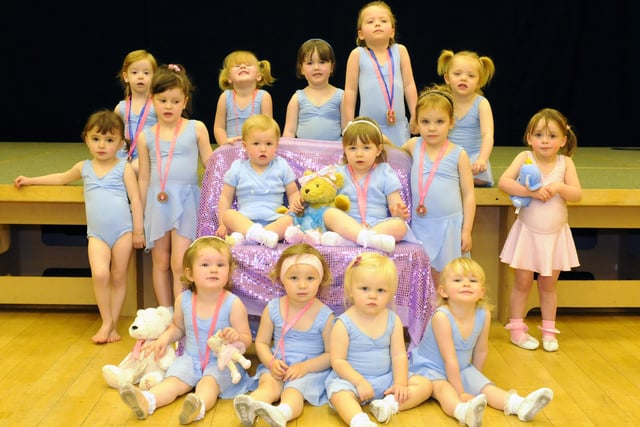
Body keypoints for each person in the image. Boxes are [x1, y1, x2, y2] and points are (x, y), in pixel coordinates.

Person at [14, 110, 145, 344]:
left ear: (120, 144)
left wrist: (138, 231)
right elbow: (61, 178)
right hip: (97, 234)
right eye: (96, 139)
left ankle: (111, 325)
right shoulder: (84, 167)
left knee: (118, 276)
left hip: (123, 232)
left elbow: (135, 199)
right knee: (100, 274)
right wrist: (31, 180)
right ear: (86, 139)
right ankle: (106, 320)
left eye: (109, 140)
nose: (102, 145)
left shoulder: (123, 168)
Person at [118, 236, 254, 424]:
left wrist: (237, 337)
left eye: (221, 265)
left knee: (209, 384)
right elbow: (178, 327)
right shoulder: (184, 299)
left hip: (221, 363)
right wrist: (164, 339)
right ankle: (147, 400)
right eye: (205, 264)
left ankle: (198, 406)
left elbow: (247, 339)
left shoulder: (233, 304)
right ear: (190, 274)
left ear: (229, 272)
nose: (213, 269)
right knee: (173, 381)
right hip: (191, 359)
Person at [410, 257, 554, 426]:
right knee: (444, 390)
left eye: (472, 281)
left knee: (487, 387)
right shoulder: (442, 317)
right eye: (457, 280)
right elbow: (449, 358)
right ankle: (462, 412)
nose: (466, 284)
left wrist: (475, 379)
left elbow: (481, 350)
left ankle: (519, 404)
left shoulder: (483, 314)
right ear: (443, 291)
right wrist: (460, 392)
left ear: (482, 292)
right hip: (430, 369)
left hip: (460, 367)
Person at [499, 108, 582, 352]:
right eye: (539, 135)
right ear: (529, 138)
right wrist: (530, 192)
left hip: (555, 237)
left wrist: (557, 187)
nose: (545, 140)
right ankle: (516, 329)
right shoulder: (525, 157)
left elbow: (576, 194)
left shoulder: (565, 164)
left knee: (548, 285)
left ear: (563, 141)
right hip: (528, 234)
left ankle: (548, 331)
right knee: (522, 282)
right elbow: (504, 181)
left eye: (552, 136)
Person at [324, 252, 432, 427]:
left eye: (380, 290)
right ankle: (359, 421)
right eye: (365, 289)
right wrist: (359, 382)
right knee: (339, 395)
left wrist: (400, 384)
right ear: (351, 290)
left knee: (425, 385)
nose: (372, 295)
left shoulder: (393, 320)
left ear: (390, 294)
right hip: (351, 381)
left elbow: (398, 355)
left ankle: (388, 405)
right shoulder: (343, 323)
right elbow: (337, 360)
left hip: (386, 380)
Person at [137, 63, 213, 308]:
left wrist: (231, 151)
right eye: (163, 100)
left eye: (175, 101)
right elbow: (144, 177)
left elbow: (211, 164)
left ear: (185, 101)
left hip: (187, 202)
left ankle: (181, 313)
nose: (169, 106)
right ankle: (165, 312)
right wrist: (139, 214)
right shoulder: (146, 136)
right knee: (160, 262)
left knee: (179, 263)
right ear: (152, 100)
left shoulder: (196, 128)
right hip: (157, 203)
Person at [233, 243, 335, 427]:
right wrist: (271, 363)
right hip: (278, 366)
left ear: (321, 280)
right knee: (268, 385)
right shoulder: (273, 308)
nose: (302, 285)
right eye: (294, 278)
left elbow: (331, 355)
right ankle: (250, 406)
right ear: (282, 279)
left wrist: (305, 367)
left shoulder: (325, 316)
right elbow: (262, 343)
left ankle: (282, 413)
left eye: (310, 278)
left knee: (294, 391)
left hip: (309, 371)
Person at [401, 86, 476, 284]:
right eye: (425, 122)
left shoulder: (459, 154)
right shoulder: (413, 145)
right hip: (420, 225)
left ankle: (446, 314)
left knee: (449, 278)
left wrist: (466, 230)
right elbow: (390, 153)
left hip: (449, 227)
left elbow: (468, 195)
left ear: (451, 123)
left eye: (439, 122)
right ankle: (426, 315)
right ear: (416, 122)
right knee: (422, 279)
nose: (432, 128)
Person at [320, 117, 411, 254]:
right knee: (329, 214)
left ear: (378, 150)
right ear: (344, 150)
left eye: (366, 148)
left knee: (399, 226)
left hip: (377, 226)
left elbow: (396, 205)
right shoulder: (337, 172)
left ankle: (352, 241)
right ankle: (365, 239)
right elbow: (322, 198)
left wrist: (399, 213)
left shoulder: (385, 172)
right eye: (352, 148)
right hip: (346, 226)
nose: (359, 154)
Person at [215, 114, 303, 248]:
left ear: (276, 145)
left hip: (274, 220)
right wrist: (222, 223)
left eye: (268, 144)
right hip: (244, 221)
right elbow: (226, 197)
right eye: (256, 143)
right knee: (229, 215)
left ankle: (253, 237)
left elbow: (293, 193)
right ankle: (261, 236)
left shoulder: (281, 165)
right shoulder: (237, 167)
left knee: (289, 220)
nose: (263, 148)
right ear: (245, 145)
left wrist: (292, 209)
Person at [343, 1, 418, 147]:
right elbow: (350, 91)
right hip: (369, 128)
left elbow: (409, 85)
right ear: (361, 34)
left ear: (392, 32)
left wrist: (415, 114)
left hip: (398, 126)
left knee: (400, 165)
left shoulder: (400, 51)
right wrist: (349, 122)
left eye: (383, 21)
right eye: (370, 21)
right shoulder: (357, 54)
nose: (377, 24)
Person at [437, 49, 496, 187]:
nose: (463, 78)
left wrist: (482, 159)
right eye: (457, 74)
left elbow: (488, 135)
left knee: (479, 177)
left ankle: (461, 177)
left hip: (474, 156)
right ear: (447, 78)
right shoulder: (443, 101)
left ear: (479, 81)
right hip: (449, 154)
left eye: (471, 76)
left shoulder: (481, 103)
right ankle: (457, 176)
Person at [282, 38, 345, 142]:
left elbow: (347, 130)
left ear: (332, 67)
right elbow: (289, 131)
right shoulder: (297, 98)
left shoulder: (342, 96)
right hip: (303, 155)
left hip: (334, 155)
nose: (316, 67)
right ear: (301, 68)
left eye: (322, 62)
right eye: (310, 63)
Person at [213, 50, 275, 145]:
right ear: (229, 78)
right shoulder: (225, 96)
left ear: (258, 76)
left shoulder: (263, 96)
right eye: (237, 66)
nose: (242, 66)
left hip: (256, 149)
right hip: (231, 148)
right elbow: (218, 127)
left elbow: (269, 127)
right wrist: (224, 144)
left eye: (248, 65)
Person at [114, 49, 159, 173]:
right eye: (134, 72)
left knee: (134, 168)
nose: (140, 76)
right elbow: (113, 134)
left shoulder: (158, 105)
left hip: (148, 154)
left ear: (154, 76)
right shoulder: (121, 108)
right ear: (126, 76)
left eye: (146, 73)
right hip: (124, 154)